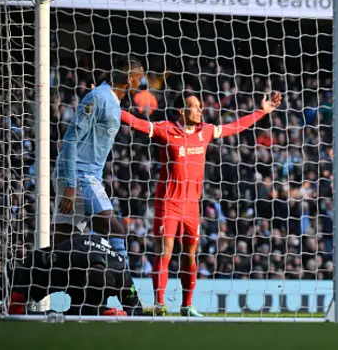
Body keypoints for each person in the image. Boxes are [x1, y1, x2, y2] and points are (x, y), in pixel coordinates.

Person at [120, 90, 282, 317]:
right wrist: (111, 107)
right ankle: (159, 304)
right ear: (181, 110)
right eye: (194, 106)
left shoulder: (204, 132)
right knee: (164, 251)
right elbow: (137, 122)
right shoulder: (166, 129)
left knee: (190, 255)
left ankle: (187, 305)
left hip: (192, 207)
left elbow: (233, 127)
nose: (199, 110)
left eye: (199, 106)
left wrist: (261, 112)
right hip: (168, 203)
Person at [53, 57, 144, 264]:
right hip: (80, 176)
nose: (140, 85)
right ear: (129, 79)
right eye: (139, 79)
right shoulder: (100, 97)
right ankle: (129, 293)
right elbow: (70, 138)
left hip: (79, 176)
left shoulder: (107, 98)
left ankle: (23, 289)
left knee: (63, 246)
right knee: (116, 232)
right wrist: (70, 184)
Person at [6, 235, 144, 317]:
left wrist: (125, 315)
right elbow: (34, 258)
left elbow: (135, 306)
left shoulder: (121, 273)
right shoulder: (66, 256)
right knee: (9, 286)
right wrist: (18, 297)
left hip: (86, 266)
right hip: (67, 270)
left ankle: (94, 310)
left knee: (86, 315)